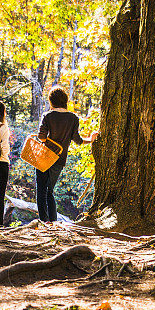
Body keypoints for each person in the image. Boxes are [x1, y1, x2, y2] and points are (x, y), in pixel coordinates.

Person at [36, 86, 98, 223]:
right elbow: (78, 140)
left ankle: (43, 222)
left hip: (44, 156)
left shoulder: (47, 116)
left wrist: (48, 140)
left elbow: (41, 137)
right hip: (59, 159)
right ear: (65, 100)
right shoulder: (73, 118)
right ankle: (53, 222)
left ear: (51, 101)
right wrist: (91, 139)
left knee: (41, 191)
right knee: (49, 191)